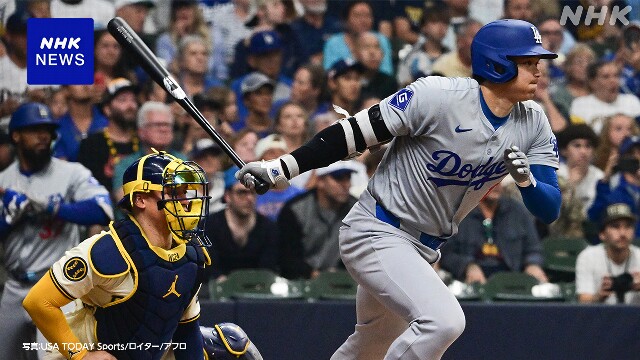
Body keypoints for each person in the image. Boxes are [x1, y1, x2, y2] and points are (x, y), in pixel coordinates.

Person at [236, 19, 561, 359]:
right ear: (497, 63)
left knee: (370, 347)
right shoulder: (437, 96)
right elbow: (350, 135)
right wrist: (282, 167)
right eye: (527, 62)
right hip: (377, 230)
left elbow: (549, 209)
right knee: (444, 321)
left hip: (423, 248)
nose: (538, 71)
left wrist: (527, 183)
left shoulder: (533, 121)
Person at [22, 150, 211, 359]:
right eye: (174, 193)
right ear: (140, 200)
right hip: (90, 352)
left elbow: (187, 330)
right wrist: (81, 356)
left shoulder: (191, 256)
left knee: (226, 342)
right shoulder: (108, 251)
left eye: (186, 192)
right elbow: (38, 302)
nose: (185, 201)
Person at [0, 103, 113, 358]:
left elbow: (102, 208)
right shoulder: (3, 182)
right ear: (16, 135)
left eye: (47, 130)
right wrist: (8, 219)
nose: (43, 136)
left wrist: (52, 207)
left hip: (58, 284)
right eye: (34, 130)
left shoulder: (71, 172)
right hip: (15, 284)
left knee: (54, 357)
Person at [440, 182, 548, 284]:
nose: (495, 185)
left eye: (498, 181)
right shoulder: (457, 212)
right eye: (489, 180)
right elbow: (446, 253)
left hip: (512, 279)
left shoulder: (517, 211)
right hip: (469, 282)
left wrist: (533, 265)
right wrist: (467, 266)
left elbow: (534, 249)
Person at [277, 161, 358, 280]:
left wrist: (339, 274)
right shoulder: (295, 209)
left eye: (348, 178)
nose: (346, 184)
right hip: (299, 281)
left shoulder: (356, 210)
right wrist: (315, 275)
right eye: (338, 178)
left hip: (344, 281)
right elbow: (287, 257)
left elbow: (359, 253)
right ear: (320, 181)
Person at [205, 170, 279, 281]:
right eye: (242, 193)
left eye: (253, 193)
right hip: (218, 292)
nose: (249, 198)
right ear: (227, 196)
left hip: (259, 290)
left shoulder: (268, 227)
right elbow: (209, 268)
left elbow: (269, 268)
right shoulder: (210, 225)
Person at [78, 78, 140, 192]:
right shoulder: (92, 144)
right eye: (123, 100)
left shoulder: (143, 140)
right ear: (107, 109)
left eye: (133, 100)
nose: (131, 105)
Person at [576, 203, 640, 304]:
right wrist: (598, 297)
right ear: (602, 234)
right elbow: (583, 300)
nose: (623, 233)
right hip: (601, 317)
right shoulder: (588, 257)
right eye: (615, 227)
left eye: (628, 226)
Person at [569, 60, 640, 135]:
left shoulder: (632, 101)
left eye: (616, 76)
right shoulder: (580, 105)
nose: (613, 80)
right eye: (606, 77)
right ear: (592, 82)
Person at [556, 124, 603, 214]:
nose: (583, 152)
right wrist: (571, 184)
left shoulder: (599, 177)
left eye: (588, 146)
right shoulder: (555, 174)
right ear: (564, 150)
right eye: (577, 146)